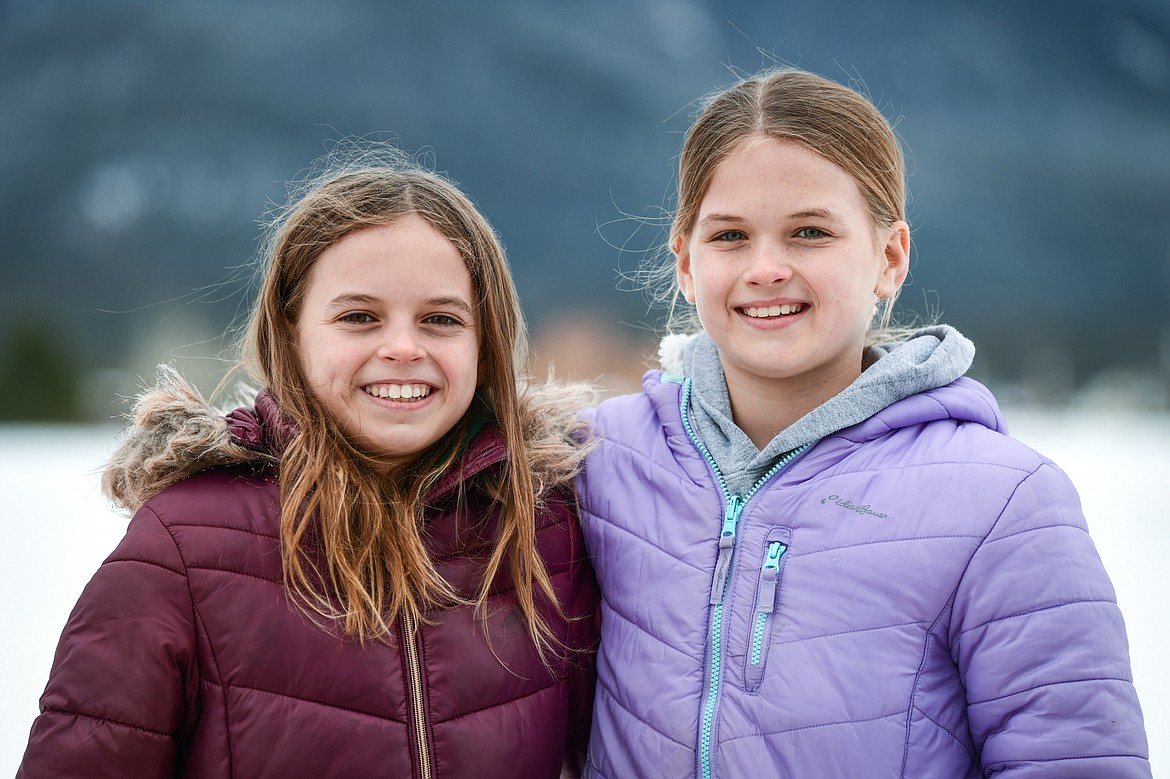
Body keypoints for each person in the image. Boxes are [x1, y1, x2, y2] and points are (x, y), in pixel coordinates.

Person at [575, 69, 1151, 777]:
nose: (766, 268)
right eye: (729, 235)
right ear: (686, 263)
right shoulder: (595, 458)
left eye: (809, 231)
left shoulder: (1004, 504)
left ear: (890, 257)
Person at [18, 151, 599, 778]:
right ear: (290, 333)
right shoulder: (184, 547)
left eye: (440, 319)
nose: (403, 347)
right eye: (358, 317)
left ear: (485, 341)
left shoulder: (548, 532)